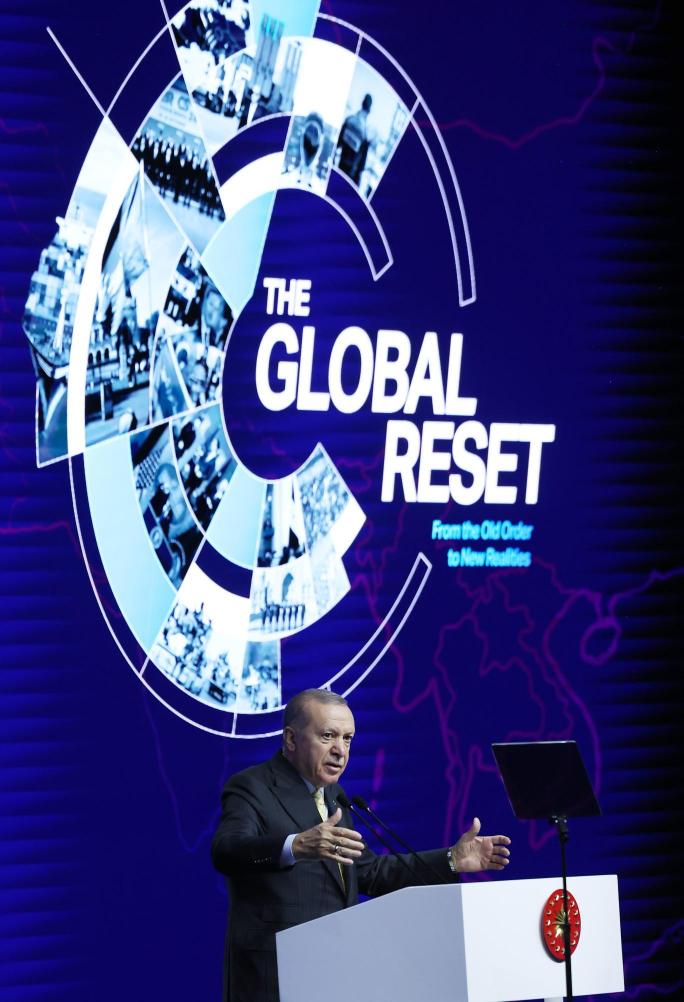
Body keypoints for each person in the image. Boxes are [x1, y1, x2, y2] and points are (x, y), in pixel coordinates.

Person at [211, 688, 511, 1002]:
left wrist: (451, 859)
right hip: (275, 974)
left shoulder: (334, 796)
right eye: (328, 736)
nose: (340, 751)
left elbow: (368, 872)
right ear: (290, 739)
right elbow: (227, 851)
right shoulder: (253, 787)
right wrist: (294, 846)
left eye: (348, 739)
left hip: (336, 970)